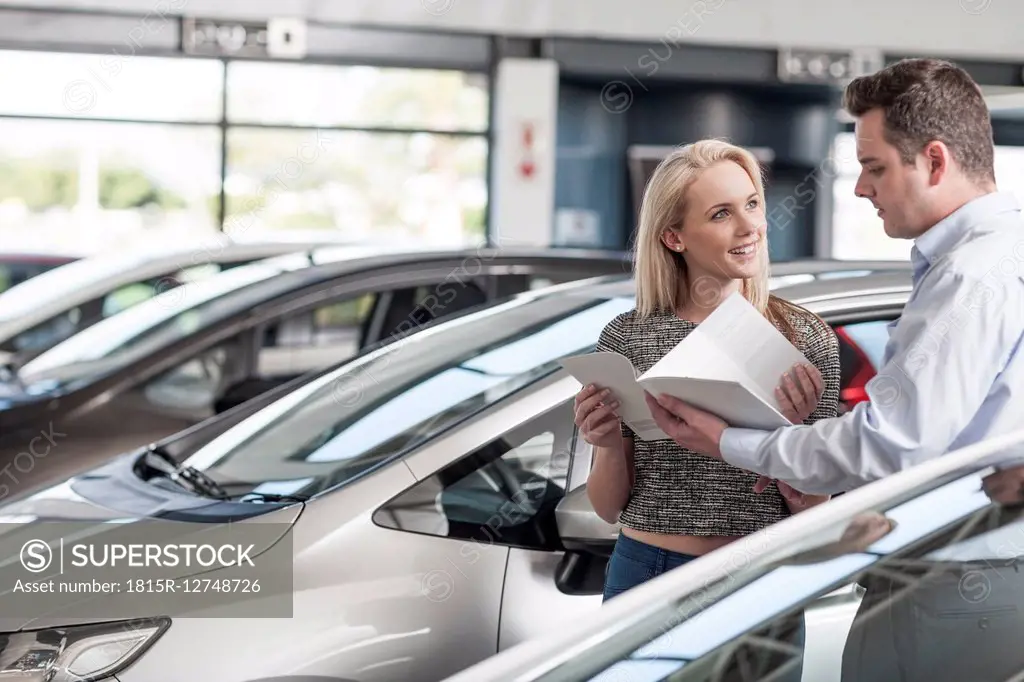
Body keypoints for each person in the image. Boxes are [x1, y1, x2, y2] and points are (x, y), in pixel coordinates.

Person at [643, 58, 1024, 497]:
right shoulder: (998, 254)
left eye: (875, 167)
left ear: (935, 162)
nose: (861, 187)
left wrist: (729, 442)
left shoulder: (967, 275)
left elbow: (890, 448)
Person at [574, 138, 842, 605]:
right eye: (721, 214)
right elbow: (607, 507)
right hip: (647, 572)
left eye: (752, 205)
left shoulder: (805, 338)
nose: (750, 227)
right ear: (673, 237)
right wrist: (608, 445)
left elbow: (813, 507)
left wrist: (788, 437)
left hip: (759, 577)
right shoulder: (629, 337)